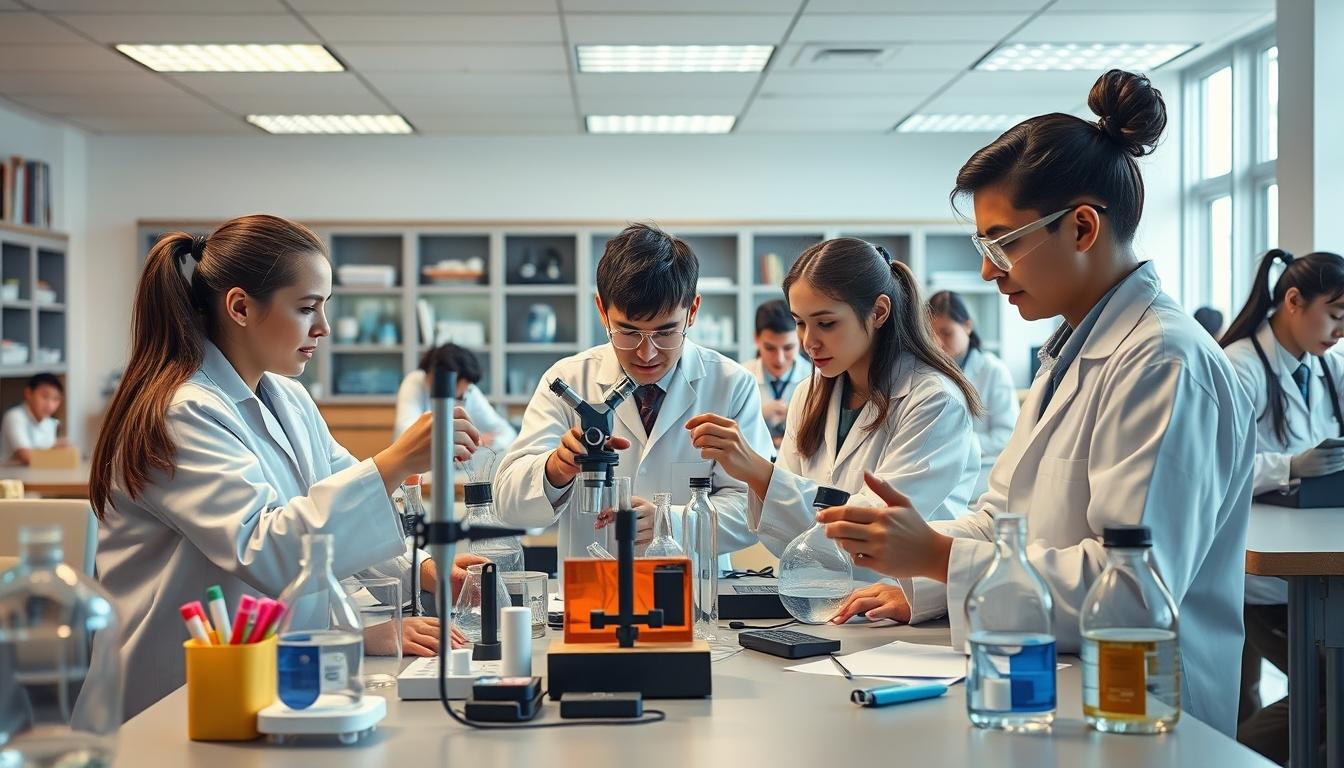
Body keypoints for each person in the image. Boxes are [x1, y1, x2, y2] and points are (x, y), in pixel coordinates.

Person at [818, 70, 1254, 737]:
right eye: (983, 245)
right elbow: (1002, 523)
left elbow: (1133, 590)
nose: (989, 270)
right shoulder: (1071, 351)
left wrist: (937, 556)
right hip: (1053, 685)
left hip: (1143, 714)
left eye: (1003, 242)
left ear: (1082, 227)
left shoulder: (1164, 361)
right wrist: (921, 581)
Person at [91, 215, 486, 719]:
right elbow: (269, 551)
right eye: (306, 308)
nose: (321, 327)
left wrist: (428, 573)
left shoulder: (287, 397)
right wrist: (395, 460)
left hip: (261, 673)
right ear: (239, 307)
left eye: (325, 308)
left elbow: (340, 509)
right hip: (173, 693)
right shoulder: (182, 411)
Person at [686, 238, 980, 617]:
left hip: (896, 608)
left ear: (878, 312)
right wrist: (762, 480)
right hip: (819, 603)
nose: (809, 342)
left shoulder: (933, 399)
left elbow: (868, 537)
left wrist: (760, 472)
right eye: (800, 323)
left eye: (825, 323)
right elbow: (792, 544)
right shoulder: (809, 394)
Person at [494, 223, 771, 578]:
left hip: (694, 601)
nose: (647, 352)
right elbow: (508, 506)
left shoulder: (731, 385)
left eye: (666, 332)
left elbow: (755, 509)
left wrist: (672, 522)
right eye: (627, 331)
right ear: (601, 311)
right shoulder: (566, 380)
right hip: (593, 596)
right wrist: (557, 469)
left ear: (693, 311)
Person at [1221, 248, 1344, 763]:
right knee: (1326, 689)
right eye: (1336, 316)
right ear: (1294, 300)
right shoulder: (1239, 368)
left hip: (1310, 557)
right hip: (1254, 573)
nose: (1340, 332)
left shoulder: (1328, 370)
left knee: (1250, 695)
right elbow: (1216, 471)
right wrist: (1290, 466)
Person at [928, 290, 1018, 497]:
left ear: (967, 326)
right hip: (940, 477)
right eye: (931, 334)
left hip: (982, 479)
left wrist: (955, 441)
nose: (939, 343)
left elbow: (1007, 436)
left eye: (947, 332)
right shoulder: (927, 372)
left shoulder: (993, 370)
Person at [394, 342, 517, 455]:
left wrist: (480, 442)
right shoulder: (415, 382)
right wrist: (458, 438)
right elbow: (405, 433)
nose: (461, 396)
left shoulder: (469, 390)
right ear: (435, 376)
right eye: (457, 389)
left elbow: (507, 433)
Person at [740, 300, 812, 449]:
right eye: (770, 348)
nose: (779, 358)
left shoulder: (816, 378)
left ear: (800, 339)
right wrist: (757, 416)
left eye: (788, 348)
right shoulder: (741, 377)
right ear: (757, 339)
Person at [1, 372, 68, 464]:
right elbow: (26, 456)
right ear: (28, 393)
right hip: (12, 475)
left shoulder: (49, 423)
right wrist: (55, 452)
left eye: (55, 399)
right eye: (45, 396)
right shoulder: (14, 416)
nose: (50, 405)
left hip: (39, 474)